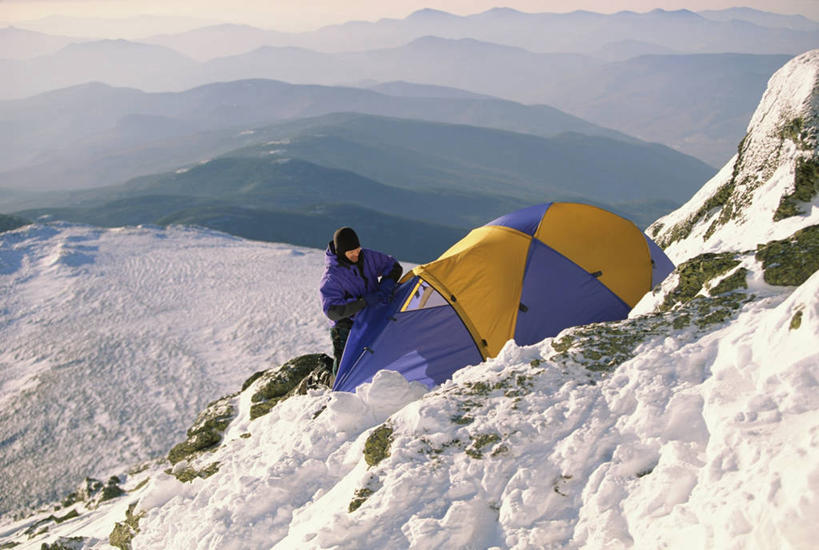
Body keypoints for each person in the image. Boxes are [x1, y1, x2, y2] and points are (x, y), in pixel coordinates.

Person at [319, 227, 402, 375]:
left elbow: (393, 265)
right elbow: (332, 310)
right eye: (351, 252)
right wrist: (363, 302)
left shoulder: (367, 257)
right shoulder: (332, 277)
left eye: (357, 249)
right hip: (346, 327)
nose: (356, 254)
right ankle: (326, 380)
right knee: (345, 373)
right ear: (341, 252)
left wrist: (386, 285)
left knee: (374, 363)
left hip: (372, 318)